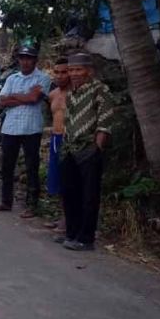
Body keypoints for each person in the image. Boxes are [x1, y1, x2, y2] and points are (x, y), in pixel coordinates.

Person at [56, 53, 115, 251]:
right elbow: (69, 119)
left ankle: (86, 238)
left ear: (89, 70)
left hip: (88, 148)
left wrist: (97, 147)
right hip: (70, 148)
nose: (74, 74)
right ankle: (71, 233)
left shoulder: (100, 90)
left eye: (78, 70)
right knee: (69, 192)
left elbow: (105, 119)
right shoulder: (73, 92)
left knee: (89, 195)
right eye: (72, 70)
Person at [0, 42, 52, 218]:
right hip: (10, 127)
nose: (25, 62)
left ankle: (32, 205)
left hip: (31, 128)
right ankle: (6, 202)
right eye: (22, 58)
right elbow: (2, 101)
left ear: (35, 60)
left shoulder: (43, 78)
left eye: (29, 58)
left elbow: (34, 98)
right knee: (6, 166)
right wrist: (25, 97)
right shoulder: (11, 78)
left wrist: (13, 97)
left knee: (32, 166)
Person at [44, 58, 70, 231]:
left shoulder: (75, 94)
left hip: (70, 140)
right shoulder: (53, 94)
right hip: (55, 138)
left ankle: (69, 219)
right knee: (57, 180)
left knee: (69, 181)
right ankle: (63, 216)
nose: (60, 76)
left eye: (64, 72)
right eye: (57, 72)